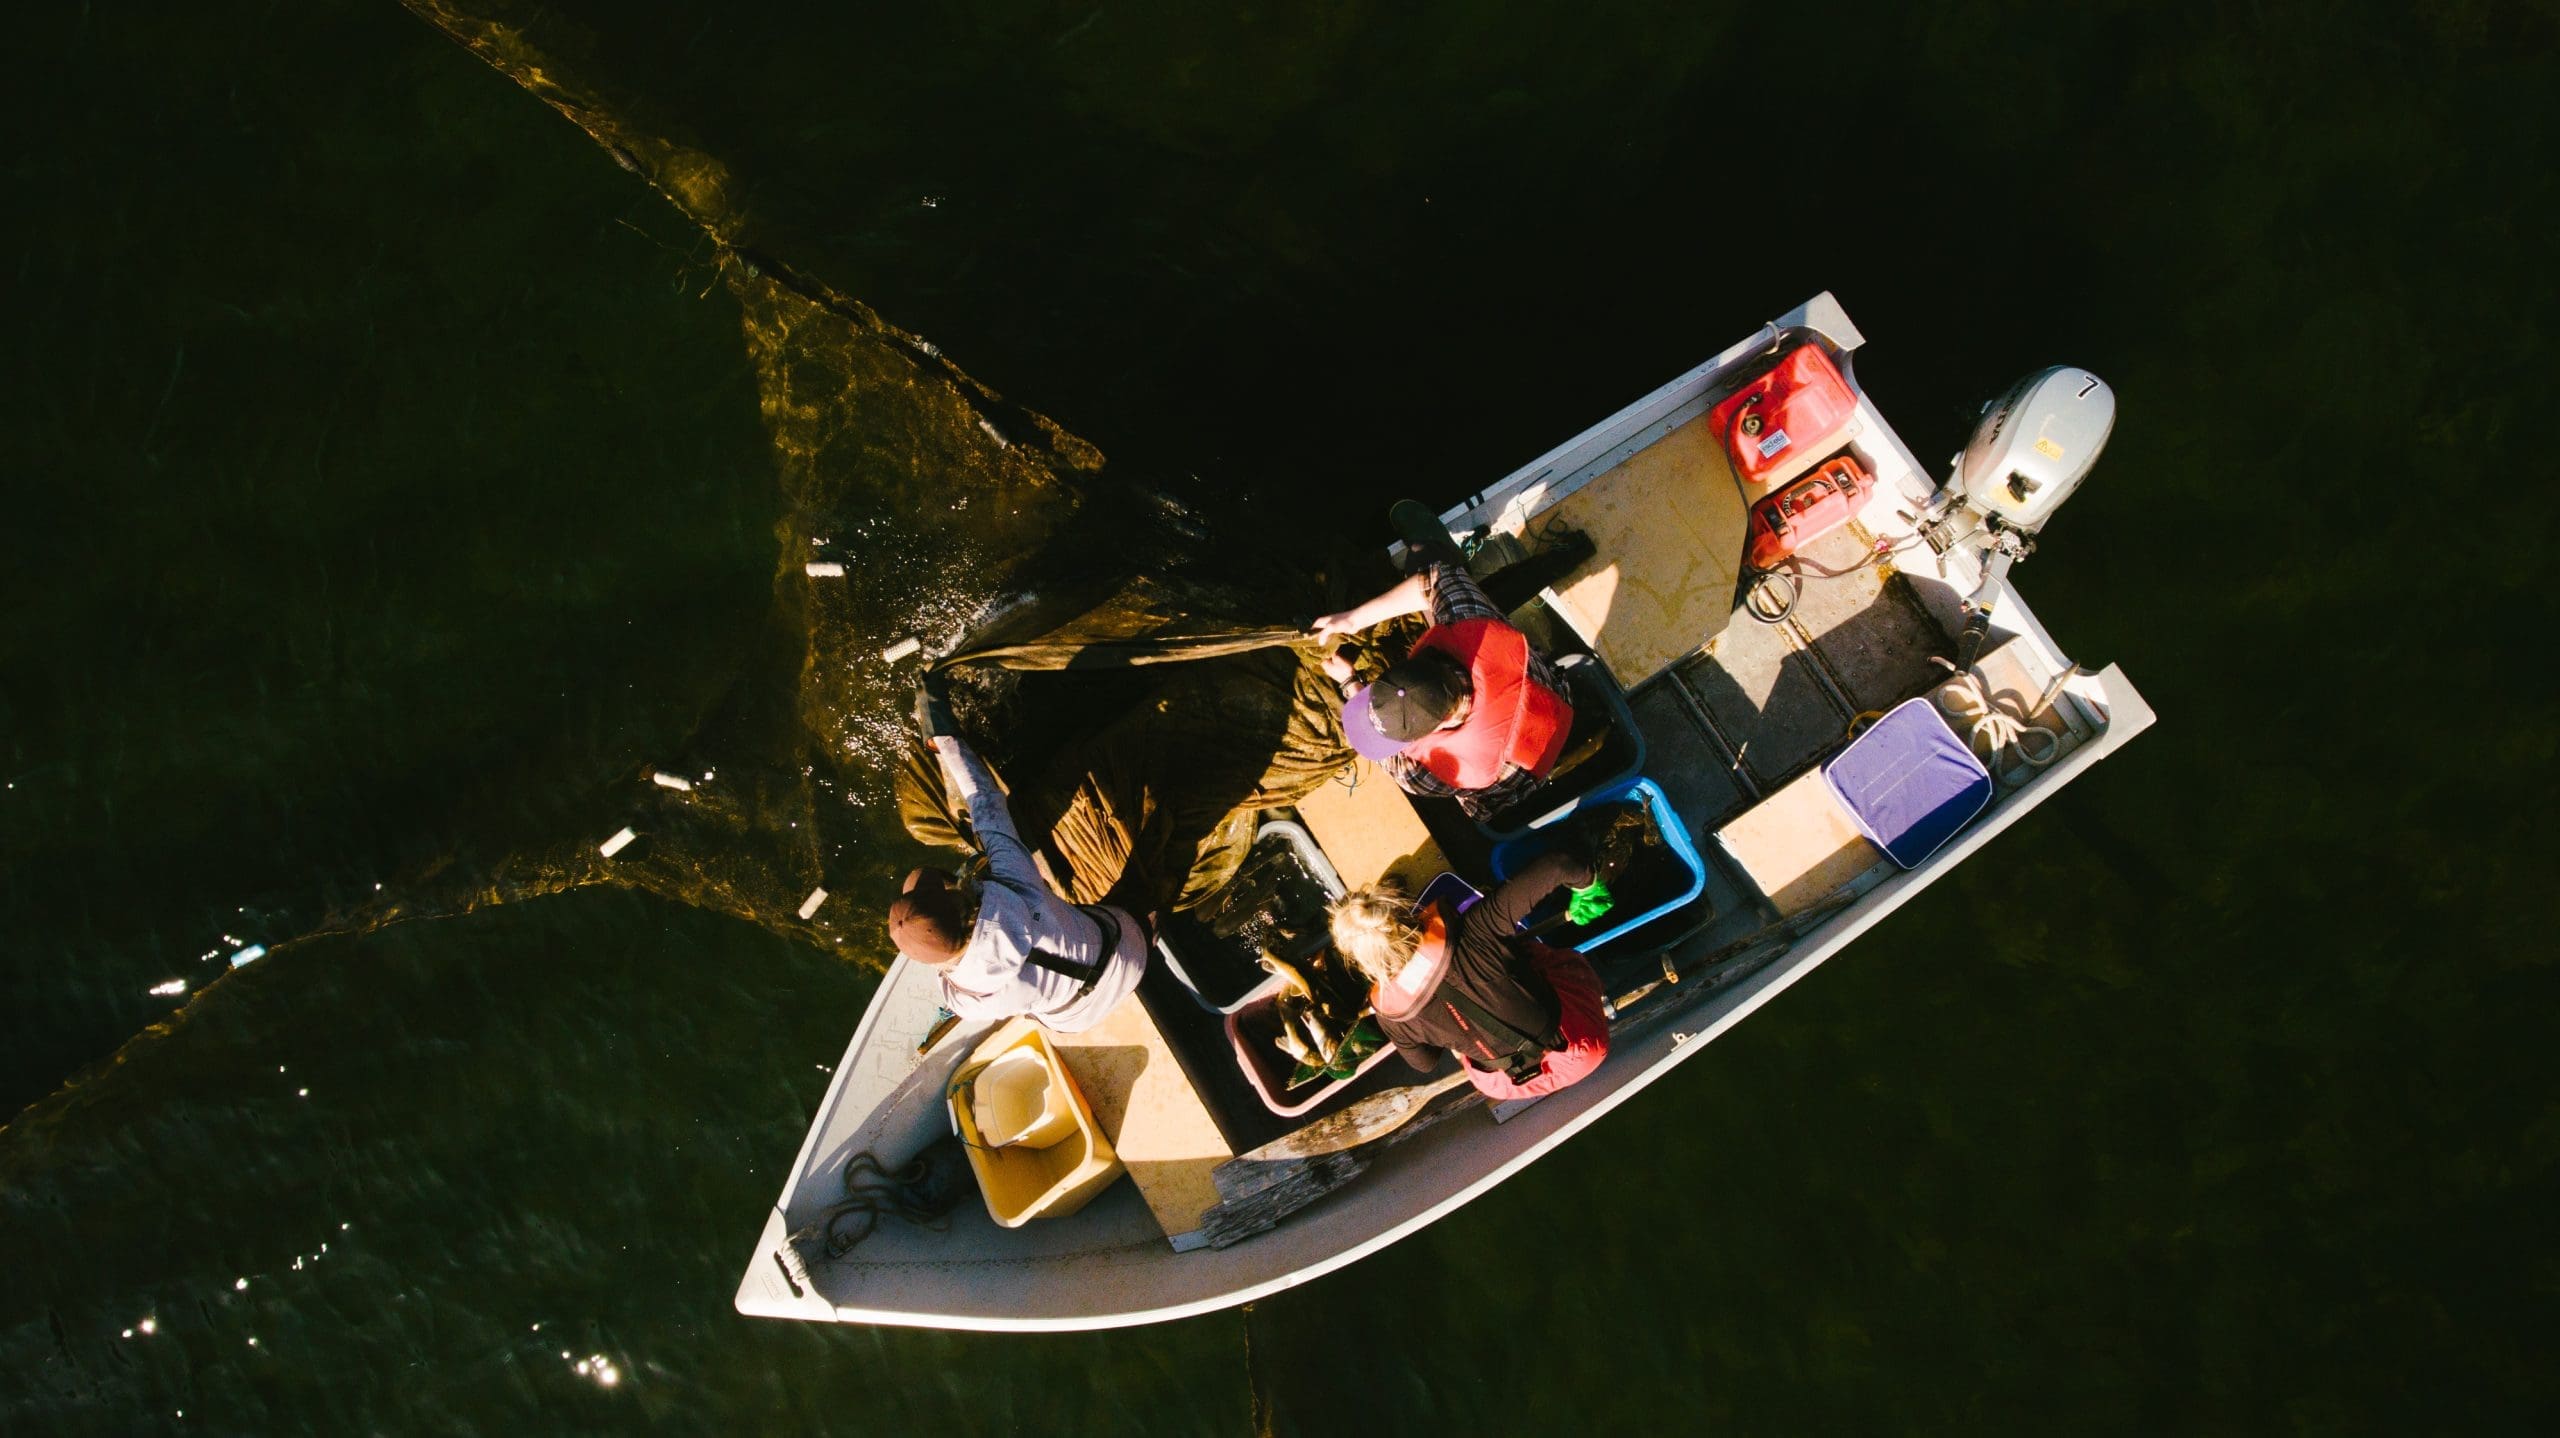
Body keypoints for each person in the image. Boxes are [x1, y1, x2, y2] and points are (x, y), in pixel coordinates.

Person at [888, 678, 1146, 1033]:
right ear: (958, 903)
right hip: (1127, 951)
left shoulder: (961, 998)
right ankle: (1148, 926)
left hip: (1075, 1019)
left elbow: (950, 959)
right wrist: (944, 741)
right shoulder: (1014, 884)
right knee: (1129, 909)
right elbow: (985, 800)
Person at [1326, 847, 1610, 1102]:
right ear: (1404, 916)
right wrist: (1588, 888)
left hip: (1509, 1084)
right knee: (1527, 955)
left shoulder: (1392, 1019)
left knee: (1459, 1046)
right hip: (1580, 1049)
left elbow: (1424, 1064)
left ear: (1364, 963)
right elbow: (1561, 862)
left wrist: (1446, 1028)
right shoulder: (1478, 930)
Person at [1309, 558, 1574, 823]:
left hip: (1512, 795)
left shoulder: (1421, 774)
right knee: (1426, 557)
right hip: (1556, 703)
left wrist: (1349, 682)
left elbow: (1392, 763)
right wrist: (1352, 620)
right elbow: (1437, 576)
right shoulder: (1473, 623)